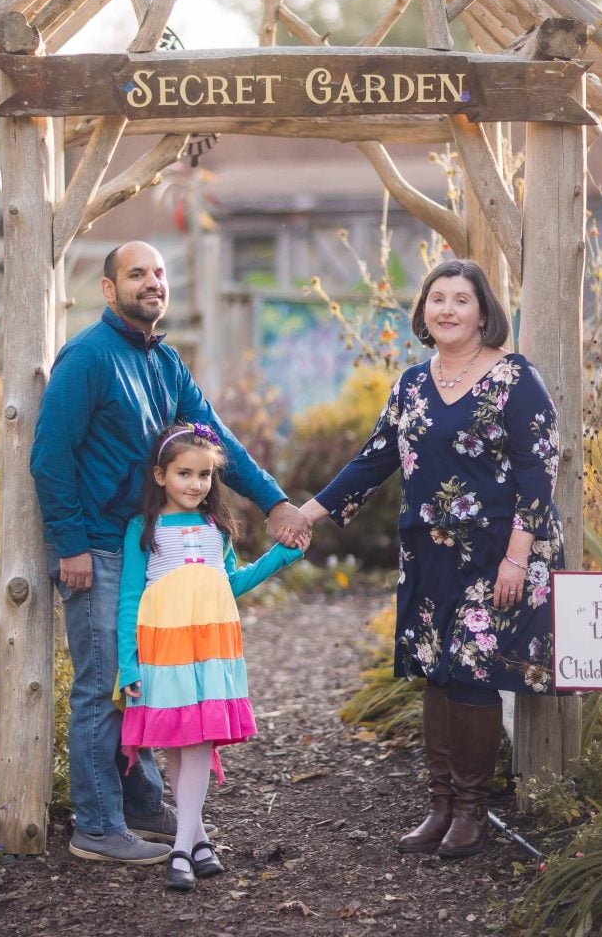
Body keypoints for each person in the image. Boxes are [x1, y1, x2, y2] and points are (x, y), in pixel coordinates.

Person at [30, 240, 310, 865]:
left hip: (148, 550)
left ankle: (142, 803)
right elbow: (49, 457)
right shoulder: (88, 358)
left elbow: (216, 439)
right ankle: (96, 825)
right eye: (137, 274)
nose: (152, 282)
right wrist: (70, 545)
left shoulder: (165, 362)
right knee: (105, 686)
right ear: (109, 290)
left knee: (151, 679)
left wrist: (274, 502)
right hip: (99, 548)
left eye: (158, 273)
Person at [300, 258, 563, 859]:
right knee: (437, 672)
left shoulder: (515, 379)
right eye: (436, 298)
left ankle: (472, 811)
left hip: (499, 555)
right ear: (422, 311)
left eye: (460, 300)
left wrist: (518, 558)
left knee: (472, 672)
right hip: (429, 554)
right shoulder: (412, 386)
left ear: (482, 312)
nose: (446, 309)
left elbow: (538, 470)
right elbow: (371, 462)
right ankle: (440, 804)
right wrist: (306, 514)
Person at [118, 423, 306, 891]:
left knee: (198, 739)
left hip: (212, 647)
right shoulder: (144, 529)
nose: (196, 484)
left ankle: (183, 847)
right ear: (160, 475)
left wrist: (279, 558)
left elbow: (231, 583)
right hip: (166, 648)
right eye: (185, 473)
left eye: (204, 475)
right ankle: (195, 841)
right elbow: (128, 599)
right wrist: (128, 661)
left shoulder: (213, 527)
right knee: (182, 741)